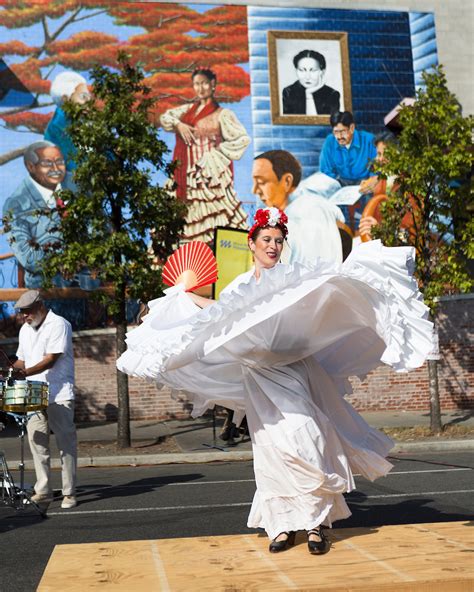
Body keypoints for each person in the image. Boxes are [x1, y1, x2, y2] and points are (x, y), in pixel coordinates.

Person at [117, 208, 433, 554]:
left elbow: (316, 311)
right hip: (258, 379)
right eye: (266, 240)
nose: (273, 246)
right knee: (272, 454)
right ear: (251, 244)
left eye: (279, 241)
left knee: (308, 439)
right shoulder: (239, 286)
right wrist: (184, 299)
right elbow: (219, 318)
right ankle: (282, 525)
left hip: (293, 371)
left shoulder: (293, 280)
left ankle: (315, 525)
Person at [160, 68, 250, 244]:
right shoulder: (187, 111)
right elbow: (166, 118)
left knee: (213, 224)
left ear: (213, 84)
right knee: (181, 226)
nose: (200, 88)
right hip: (183, 175)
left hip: (208, 179)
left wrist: (215, 156)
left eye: (204, 83)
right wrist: (179, 125)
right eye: (196, 84)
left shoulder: (222, 114)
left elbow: (241, 139)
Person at [12, 290, 77, 509]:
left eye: (27, 312)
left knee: (65, 444)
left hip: (59, 392)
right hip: (34, 392)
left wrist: (25, 372)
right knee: (37, 441)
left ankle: (69, 492)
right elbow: (22, 360)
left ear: (40, 306)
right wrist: (9, 370)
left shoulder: (59, 324)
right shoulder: (25, 330)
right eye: (22, 313)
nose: (24, 317)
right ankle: (43, 489)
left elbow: (51, 359)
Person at [252, 150, 345, 264]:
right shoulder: (319, 203)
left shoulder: (295, 218)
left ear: (287, 181)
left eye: (261, 182)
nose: (255, 190)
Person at [3, 141, 66, 288]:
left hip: (92, 292)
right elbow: (28, 258)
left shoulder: (76, 190)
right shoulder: (16, 205)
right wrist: (68, 261)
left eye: (60, 162)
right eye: (47, 163)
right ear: (31, 167)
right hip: (47, 292)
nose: (56, 169)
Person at [44, 71, 91, 190]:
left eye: (88, 96)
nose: (88, 101)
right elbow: (75, 162)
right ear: (66, 99)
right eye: (83, 97)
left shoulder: (82, 122)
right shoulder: (59, 126)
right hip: (75, 187)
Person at [319, 111, 377, 185]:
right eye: (336, 132)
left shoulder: (369, 140)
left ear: (352, 128)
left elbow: (377, 170)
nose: (339, 137)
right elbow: (325, 170)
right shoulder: (330, 141)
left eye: (343, 132)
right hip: (339, 186)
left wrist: (371, 181)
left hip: (365, 186)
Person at [282, 50, 340, 116]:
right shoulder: (289, 92)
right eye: (302, 70)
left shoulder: (332, 94)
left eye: (313, 70)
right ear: (296, 71)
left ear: (322, 72)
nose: (307, 76)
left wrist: (309, 94)